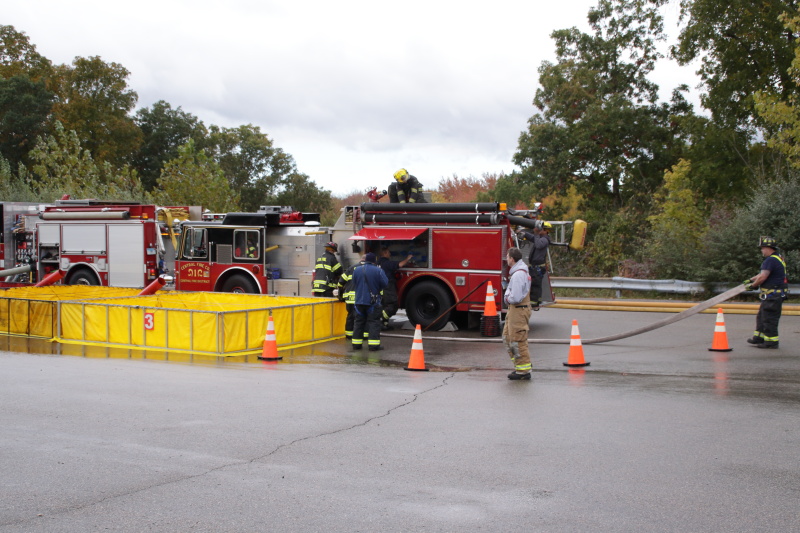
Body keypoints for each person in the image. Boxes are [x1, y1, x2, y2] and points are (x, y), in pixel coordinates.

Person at [746, 237, 788, 349]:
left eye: (762, 248)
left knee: (769, 318)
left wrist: (753, 286)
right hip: (772, 295)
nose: (761, 251)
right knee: (762, 317)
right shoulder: (777, 258)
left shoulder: (770, 260)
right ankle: (759, 338)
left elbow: (763, 277)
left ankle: (771, 342)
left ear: (767, 248)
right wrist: (751, 280)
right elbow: (761, 274)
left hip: (772, 294)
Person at [503, 247, 532, 380]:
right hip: (515, 309)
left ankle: (523, 371)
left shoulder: (518, 275)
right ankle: (520, 367)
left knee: (517, 339)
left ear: (512, 259)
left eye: (507, 257)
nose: (506, 259)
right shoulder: (518, 273)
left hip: (518, 309)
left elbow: (515, 297)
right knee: (508, 338)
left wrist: (507, 297)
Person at [351, 252, 389, 351]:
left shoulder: (357, 270)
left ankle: (356, 345)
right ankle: (373, 346)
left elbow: (354, 283)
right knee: (373, 323)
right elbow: (385, 283)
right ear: (374, 261)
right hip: (373, 302)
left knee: (358, 323)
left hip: (359, 302)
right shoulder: (378, 271)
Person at [517, 220, 552, 309]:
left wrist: (536, 234)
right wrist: (524, 233)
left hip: (538, 267)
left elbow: (538, 245)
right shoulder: (540, 238)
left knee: (535, 285)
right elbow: (532, 238)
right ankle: (536, 300)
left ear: (545, 230)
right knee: (535, 284)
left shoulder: (545, 239)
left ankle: (534, 302)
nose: (538, 230)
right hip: (535, 267)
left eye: (540, 229)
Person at [377, 246, 413, 330]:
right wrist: (408, 258)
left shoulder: (378, 263)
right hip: (388, 287)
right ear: (385, 253)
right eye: (388, 252)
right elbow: (400, 264)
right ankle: (380, 319)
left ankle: (384, 324)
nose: (390, 254)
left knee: (385, 305)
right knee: (393, 305)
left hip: (381, 287)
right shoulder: (386, 263)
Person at [337, 255, 365, 340]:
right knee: (360, 318)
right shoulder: (368, 269)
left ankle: (349, 335)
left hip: (349, 298)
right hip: (360, 298)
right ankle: (360, 336)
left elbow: (341, 281)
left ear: (361, 259)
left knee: (350, 316)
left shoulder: (352, 268)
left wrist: (340, 291)